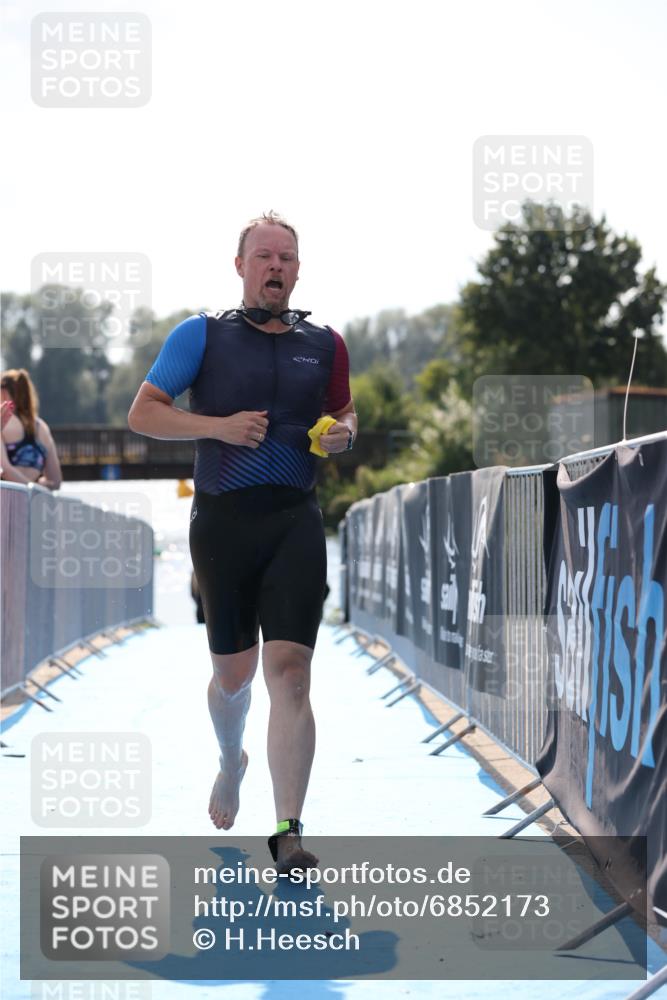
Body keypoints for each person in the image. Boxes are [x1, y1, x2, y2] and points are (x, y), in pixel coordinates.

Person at [128, 211, 357, 875]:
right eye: (263, 256)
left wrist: (345, 433)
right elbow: (144, 412)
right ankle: (231, 762)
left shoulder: (326, 343)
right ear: (240, 266)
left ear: (297, 268)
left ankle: (288, 831)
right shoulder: (200, 335)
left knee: (290, 672)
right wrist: (219, 427)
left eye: (286, 257)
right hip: (222, 521)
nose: (275, 266)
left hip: (295, 518)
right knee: (234, 674)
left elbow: (343, 415)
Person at [0, 369, 62, 491]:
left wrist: (29, 488)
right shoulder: (43, 428)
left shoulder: (4, 423)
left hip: (7, 501)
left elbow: (5, 469)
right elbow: (56, 481)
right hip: (32, 505)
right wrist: (38, 486)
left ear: (4, 392)